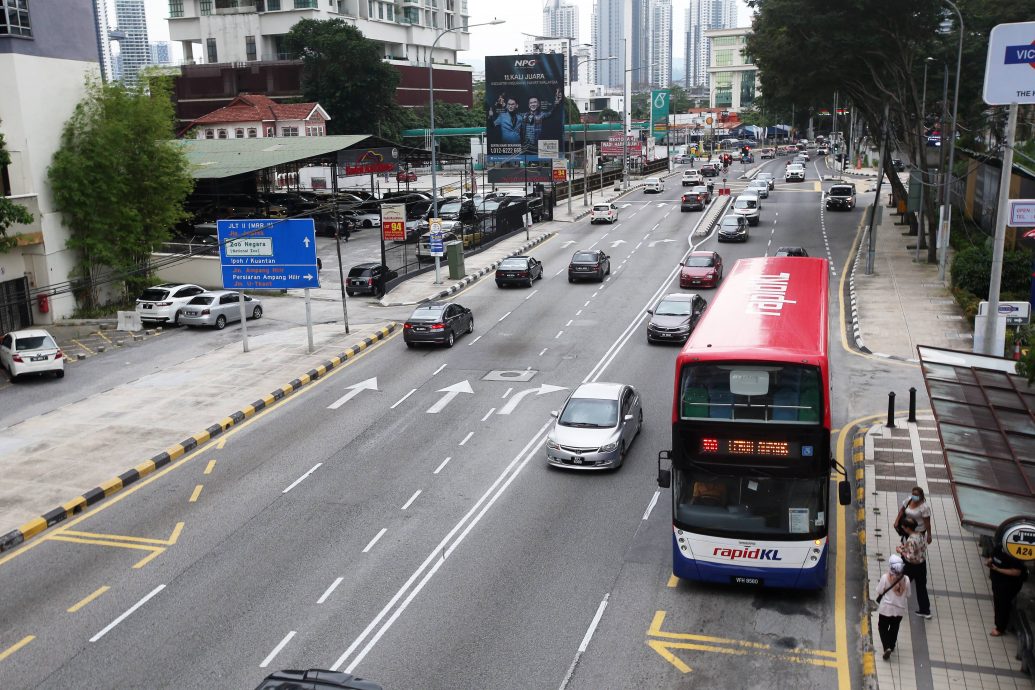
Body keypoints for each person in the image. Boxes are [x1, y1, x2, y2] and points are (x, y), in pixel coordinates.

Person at [986, 542, 1027, 637]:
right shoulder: (999, 547)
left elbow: (1016, 572)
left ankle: (1000, 627)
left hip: (1009, 585)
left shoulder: (1015, 553)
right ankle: (1000, 624)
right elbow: (992, 557)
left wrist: (997, 569)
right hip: (997, 582)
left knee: (1003, 604)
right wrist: (989, 561)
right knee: (998, 602)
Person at [875, 554, 911, 660]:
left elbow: (879, 591)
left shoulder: (885, 577)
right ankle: (892, 645)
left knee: (882, 627)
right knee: (894, 628)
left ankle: (887, 647)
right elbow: (908, 594)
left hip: (886, 609)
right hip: (899, 610)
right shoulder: (906, 580)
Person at [897, 517, 932, 618]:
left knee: (901, 584)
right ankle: (925, 610)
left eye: (903, 527)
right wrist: (905, 547)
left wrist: (901, 552)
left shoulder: (911, 540)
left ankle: (896, 606)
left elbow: (910, 557)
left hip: (912, 567)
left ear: (908, 528)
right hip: (922, 564)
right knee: (921, 587)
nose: (903, 528)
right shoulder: (920, 535)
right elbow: (922, 547)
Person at [521, 90, 563, 155]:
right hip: (526, 146)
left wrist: (556, 103)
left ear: (538, 104)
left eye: (535, 102)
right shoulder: (524, 115)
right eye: (531, 103)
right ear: (529, 105)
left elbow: (550, 112)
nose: (533, 104)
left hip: (537, 147)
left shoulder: (541, 114)